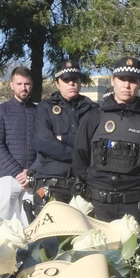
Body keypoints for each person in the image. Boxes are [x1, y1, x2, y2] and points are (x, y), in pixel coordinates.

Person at [73, 57, 140, 232]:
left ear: (139, 84)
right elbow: (80, 158)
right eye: (122, 79)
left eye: (132, 80)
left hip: (135, 207)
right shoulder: (94, 117)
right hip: (98, 205)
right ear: (113, 80)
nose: (126, 85)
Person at [27, 59, 94, 210]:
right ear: (57, 83)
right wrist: (80, 153)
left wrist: (64, 138)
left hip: (83, 184)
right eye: (66, 80)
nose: (71, 83)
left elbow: (94, 143)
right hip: (51, 183)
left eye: (75, 79)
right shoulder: (45, 108)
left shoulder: (92, 110)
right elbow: (43, 142)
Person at [0, 66, 36, 221]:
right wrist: (17, 173)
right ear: (11, 85)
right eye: (19, 84)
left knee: (31, 226)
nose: (23, 88)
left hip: (32, 177)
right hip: (7, 176)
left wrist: (31, 172)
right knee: (1, 225)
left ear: (32, 84)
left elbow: (44, 145)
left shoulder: (39, 112)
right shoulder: (1, 111)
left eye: (27, 84)